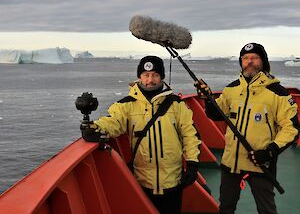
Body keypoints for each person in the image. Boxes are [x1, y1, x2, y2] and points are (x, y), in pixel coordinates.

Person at [81, 55, 201, 214]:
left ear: (161, 77)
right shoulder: (126, 105)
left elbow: (190, 134)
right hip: (143, 182)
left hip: (173, 181)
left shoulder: (176, 105)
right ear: (139, 77)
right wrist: (94, 128)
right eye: (146, 75)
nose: (150, 80)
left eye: (155, 75)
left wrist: (192, 163)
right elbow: (112, 122)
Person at [199, 43, 299, 214]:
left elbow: (292, 128)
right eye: (245, 58)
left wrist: (270, 151)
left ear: (263, 61)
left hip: (260, 163)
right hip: (231, 162)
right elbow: (217, 114)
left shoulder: (277, 92)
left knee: (266, 209)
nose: (249, 62)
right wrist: (207, 99)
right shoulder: (232, 88)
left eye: (254, 58)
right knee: (226, 208)